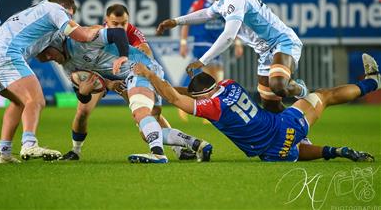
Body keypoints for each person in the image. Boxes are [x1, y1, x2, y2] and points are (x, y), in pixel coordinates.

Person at [133, 53, 379, 162]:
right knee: (324, 95)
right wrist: (163, 87)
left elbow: (177, 99)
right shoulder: (229, 84)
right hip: (287, 123)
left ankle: (335, 151)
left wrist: (148, 75)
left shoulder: (211, 107)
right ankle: (372, 82)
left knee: (288, 149)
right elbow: (185, 94)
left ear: (202, 96)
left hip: (274, 151)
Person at [37, 27, 213, 163]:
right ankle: (198, 144)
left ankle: (158, 154)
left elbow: (118, 33)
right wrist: (83, 93)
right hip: (134, 76)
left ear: (56, 42)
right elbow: (83, 95)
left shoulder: (81, 40)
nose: (47, 57)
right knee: (148, 132)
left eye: (47, 52)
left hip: (139, 69)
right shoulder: (68, 67)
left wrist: (122, 56)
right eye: (42, 56)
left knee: (140, 111)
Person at [0, 0, 109, 164]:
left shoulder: (33, 14)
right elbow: (80, 34)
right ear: (67, 8)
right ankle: (29, 144)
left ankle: (4, 153)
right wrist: (98, 33)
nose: (69, 18)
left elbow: (41, 56)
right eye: (70, 15)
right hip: (6, 55)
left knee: (19, 102)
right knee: (37, 100)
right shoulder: (54, 9)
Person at [158, 0, 307, 113]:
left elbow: (229, 36)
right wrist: (176, 21)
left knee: (278, 86)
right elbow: (207, 14)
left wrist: (202, 61)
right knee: (271, 107)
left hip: (282, 41)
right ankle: (297, 134)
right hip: (264, 52)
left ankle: (301, 90)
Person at [58, 4, 197, 161]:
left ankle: (178, 149)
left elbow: (146, 52)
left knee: (149, 114)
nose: (121, 27)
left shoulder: (132, 32)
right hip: (99, 77)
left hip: (125, 76)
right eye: (115, 24)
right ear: (106, 22)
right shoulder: (97, 32)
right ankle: (75, 150)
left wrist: (145, 73)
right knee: (82, 112)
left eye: (124, 23)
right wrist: (105, 83)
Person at [179, 0, 244, 82]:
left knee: (217, 76)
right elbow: (186, 22)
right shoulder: (199, 3)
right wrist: (183, 43)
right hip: (202, 43)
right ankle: (212, 93)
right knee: (213, 76)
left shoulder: (224, 4)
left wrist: (238, 43)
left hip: (217, 44)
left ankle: (210, 94)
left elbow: (232, 24)